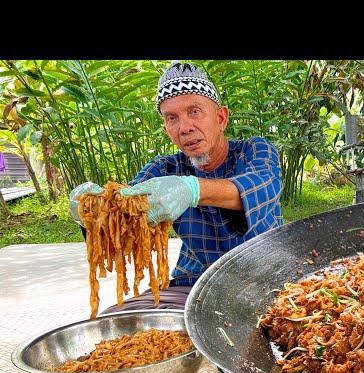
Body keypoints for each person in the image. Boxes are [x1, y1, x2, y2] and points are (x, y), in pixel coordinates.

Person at [69, 61, 283, 314]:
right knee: (118, 321)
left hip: (264, 282)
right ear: (166, 129)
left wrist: (192, 189)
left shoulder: (255, 150)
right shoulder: (163, 169)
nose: (185, 128)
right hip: (193, 285)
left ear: (221, 117)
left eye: (195, 112)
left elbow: (262, 186)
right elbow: (125, 212)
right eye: (173, 118)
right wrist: (91, 210)